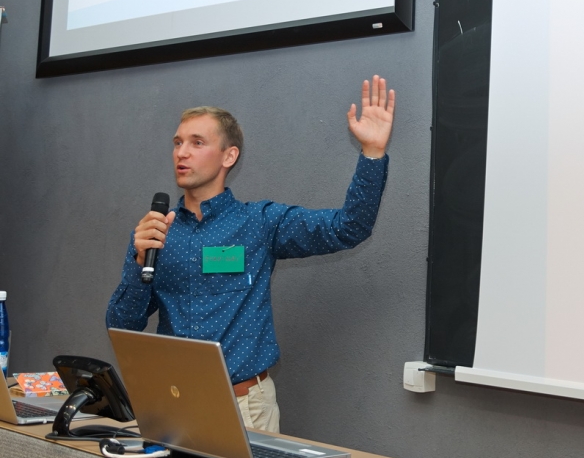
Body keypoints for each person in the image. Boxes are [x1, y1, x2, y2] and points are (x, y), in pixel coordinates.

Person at [106, 75, 395, 433]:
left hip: (245, 409)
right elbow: (121, 326)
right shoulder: (154, 233)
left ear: (229, 156)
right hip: (174, 402)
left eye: (197, 143)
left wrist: (372, 153)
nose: (181, 152)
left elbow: (349, 227)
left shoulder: (259, 223)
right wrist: (138, 263)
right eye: (178, 142)